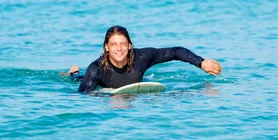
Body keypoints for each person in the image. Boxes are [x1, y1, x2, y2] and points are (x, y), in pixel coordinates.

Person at [69, 26, 222, 92]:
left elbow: (175, 51)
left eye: (123, 44)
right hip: (98, 83)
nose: (119, 48)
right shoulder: (97, 69)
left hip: (131, 88)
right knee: (80, 78)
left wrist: (201, 62)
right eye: (114, 44)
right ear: (107, 47)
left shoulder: (141, 57)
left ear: (129, 45)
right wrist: (102, 97)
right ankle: (73, 73)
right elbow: (82, 98)